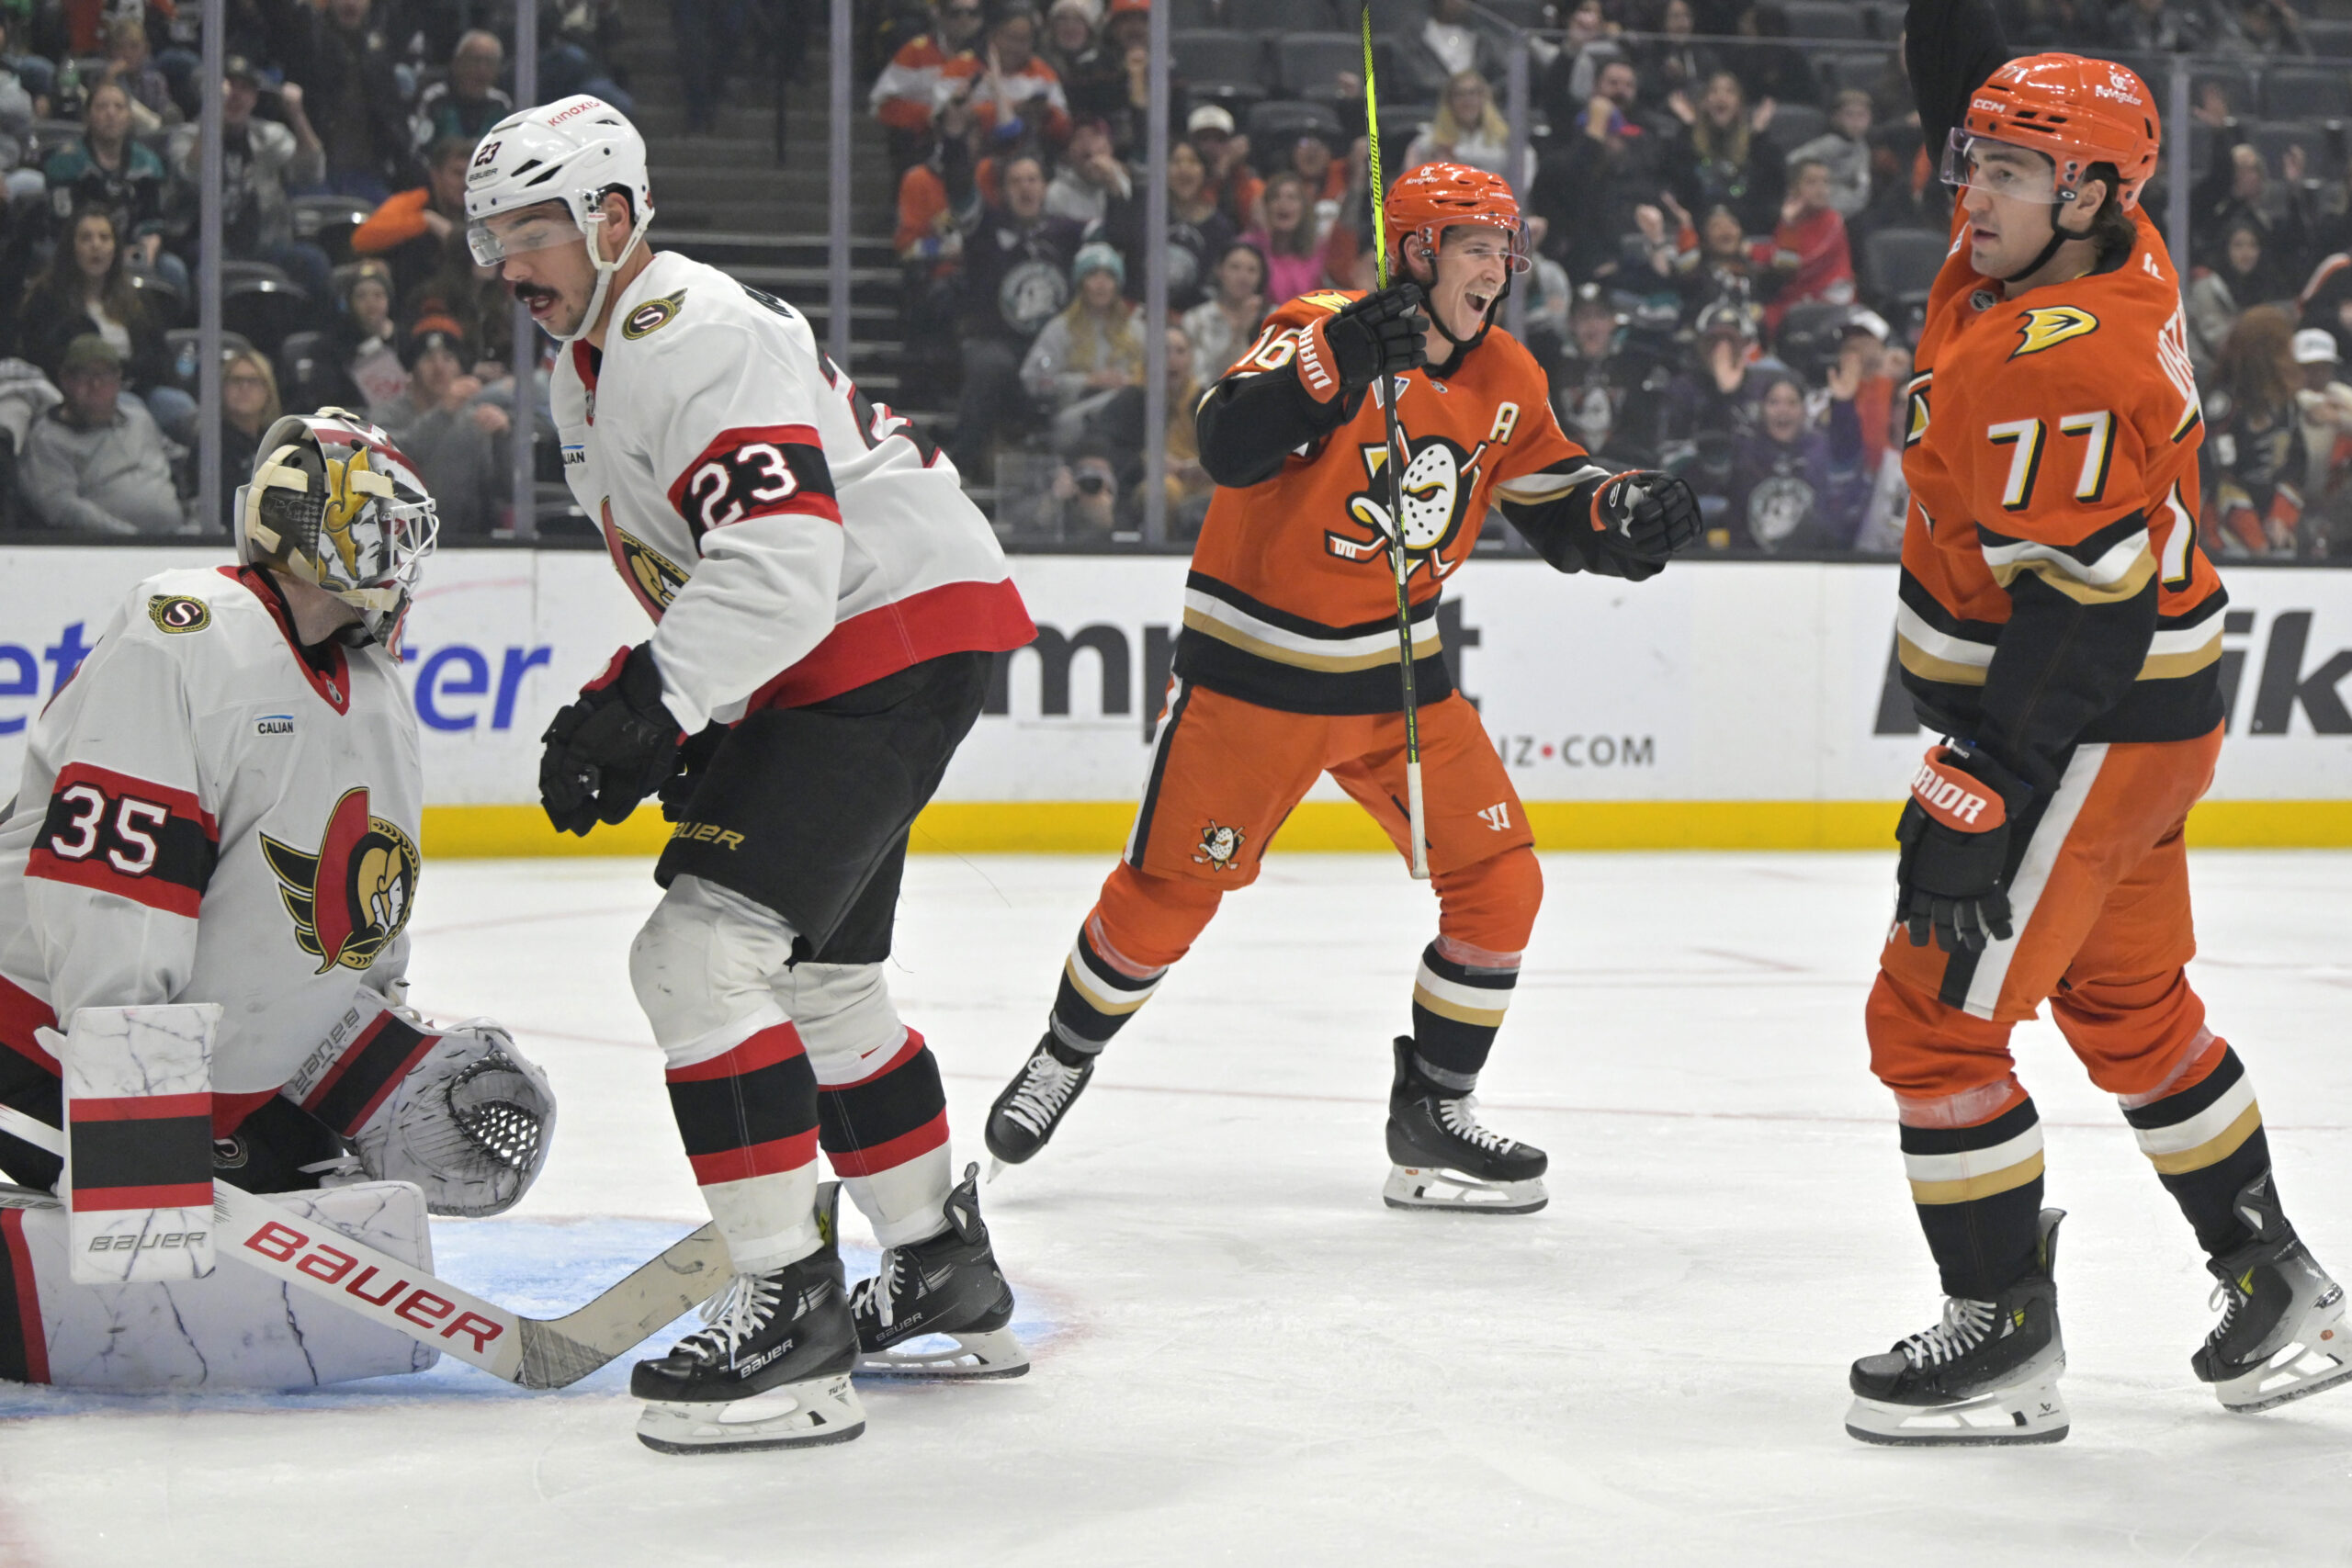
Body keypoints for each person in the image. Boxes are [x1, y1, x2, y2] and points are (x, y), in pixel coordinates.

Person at [467, 96, 1037, 1454]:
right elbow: (734, 566)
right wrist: (699, 707)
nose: (507, 264)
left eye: (532, 229)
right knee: (823, 979)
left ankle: (790, 1312)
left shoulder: (691, 332)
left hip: (872, 639)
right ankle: (936, 1261)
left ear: (613, 215)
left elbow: (784, 560)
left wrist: (657, 697)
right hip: (865, 641)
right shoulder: (594, 359)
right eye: (492, 237)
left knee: (698, 959)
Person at [980, 163, 1701, 1212]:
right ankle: (1062, 1055)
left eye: (1507, 249)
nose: (1497, 269)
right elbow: (1225, 439)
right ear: (1415, 252)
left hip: (1398, 685)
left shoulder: (1506, 374)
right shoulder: (1320, 319)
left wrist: (1625, 512)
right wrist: (1338, 362)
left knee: (1502, 884)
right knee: (1166, 905)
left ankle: (1433, 1111)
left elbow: (1557, 503)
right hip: (1255, 684)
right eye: (1476, 246)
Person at [1845, 0, 2347, 1448]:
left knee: (1932, 1025)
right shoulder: (2099, 240)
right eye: (1975, 159)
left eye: (2004, 170)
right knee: (2132, 1014)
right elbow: (1971, 86)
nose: (1968, 191)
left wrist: (1988, 781)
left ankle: (2001, 1335)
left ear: (2088, 192)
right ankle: (2279, 1279)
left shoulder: (2053, 359)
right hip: (2150, 712)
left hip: (2087, 717)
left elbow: (2089, 608)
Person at [0, 407, 560, 1391]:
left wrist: (375, 1051)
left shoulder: (375, 687)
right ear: (315, 522)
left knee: (326, 1195)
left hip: (202, 1067)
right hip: (42, 1034)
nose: (405, 555)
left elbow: (353, 917)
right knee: (153, 1234)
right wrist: (136, 1115)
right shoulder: (185, 630)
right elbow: (112, 895)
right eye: (388, 524)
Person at [948, 151, 1085, 479]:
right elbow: (959, 189)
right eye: (1016, 181)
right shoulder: (986, 229)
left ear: (1045, 187)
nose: (1025, 188)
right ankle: (960, 467)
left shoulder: (1067, 233)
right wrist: (955, 142)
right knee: (990, 366)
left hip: (1054, 344)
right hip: (997, 341)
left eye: (1032, 180)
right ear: (1004, 191)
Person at [169, 57, 333, 315]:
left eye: (244, 89)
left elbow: (311, 173)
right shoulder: (187, 135)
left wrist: (297, 115)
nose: (235, 96)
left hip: (265, 244)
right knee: (208, 259)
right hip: (206, 241)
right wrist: (212, 113)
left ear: (255, 98)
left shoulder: (268, 136)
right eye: (229, 87)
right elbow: (191, 176)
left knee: (314, 262)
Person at [15, 208, 183, 437]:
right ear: (70, 247)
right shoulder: (47, 298)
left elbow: (158, 355)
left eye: (104, 238)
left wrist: (128, 372)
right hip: (77, 397)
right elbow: (46, 358)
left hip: (136, 388)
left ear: (115, 247)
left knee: (180, 405)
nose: (96, 246)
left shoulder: (135, 299)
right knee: (131, 407)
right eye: (86, 238)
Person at [17, 334, 184, 536]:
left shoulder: (140, 419)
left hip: (179, 539)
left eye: (105, 375)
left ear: (118, 380)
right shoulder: (47, 439)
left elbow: (176, 458)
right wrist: (132, 539)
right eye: (85, 375)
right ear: (65, 380)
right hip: (107, 550)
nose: (95, 385)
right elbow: (60, 506)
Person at [44, 80, 185, 291]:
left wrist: (147, 247)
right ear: (87, 116)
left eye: (119, 107)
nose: (111, 113)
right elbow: (63, 225)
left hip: (133, 250)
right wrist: (102, 250)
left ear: (129, 117)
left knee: (173, 270)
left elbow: (153, 219)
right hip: (81, 251)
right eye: (101, 107)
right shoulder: (65, 162)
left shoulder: (148, 163)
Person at [372, 319, 506, 538]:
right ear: (412, 368)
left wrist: (504, 436)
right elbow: (395, 459)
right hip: (397, 543)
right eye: (428, 358)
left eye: (448, 358)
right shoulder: (386, 415)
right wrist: (442, 413)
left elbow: (497, 489)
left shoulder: (473, 421)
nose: (439, 368)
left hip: (465, 545)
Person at [2200, 304, 2308, 558]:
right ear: (2266, 353)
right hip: (2223, 522)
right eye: (2286, 348)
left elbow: (2297, 466)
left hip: (2273, 513)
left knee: (2284, 554)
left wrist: (2281, 517)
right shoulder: (2223, 405)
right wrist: (2253, 536)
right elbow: (2220, 476)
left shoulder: (2286, 406)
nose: (2292, 356)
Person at [1022, 243, 1145, 453]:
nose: (1101, 284)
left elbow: (1159, 378)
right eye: (1093, 275)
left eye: (1109, 276)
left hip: (1128, 419)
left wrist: (1129, 382)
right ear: (1081, 283)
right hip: (1077, 420)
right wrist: (1088, 381)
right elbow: (1033, 379)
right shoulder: (1060, 329)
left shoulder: (1138, 330)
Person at [296, 0, 414, 201]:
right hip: (320, 171)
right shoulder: (309, 40)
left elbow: (391, 114)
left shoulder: (380, 48)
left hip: (369, 171)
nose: (350, 3)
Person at [350, 134, 474, 303]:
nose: (465, 183)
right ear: (435, 175)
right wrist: (426, 220)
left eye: (471, 175)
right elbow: (361, 240)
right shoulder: (414, 202)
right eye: (457, 174)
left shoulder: (483, 208)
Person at [1662, 70, 1784, 239]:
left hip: (1747, 233)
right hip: (1700, 232)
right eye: (1714, 91)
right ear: (1704, 103)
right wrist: (1689, 128)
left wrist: (1759, 137)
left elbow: (1771, 187)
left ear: (1739, 105)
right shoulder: (1685, 143)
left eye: (1730, 91)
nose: (1721, 97)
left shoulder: (1757, 145)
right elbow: (1681, 184)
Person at [937, 5, 1072, 153]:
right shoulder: (960, 67)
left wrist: (1047, 114)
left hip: (1028, 157)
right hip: (965, 154)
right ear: (992, 35)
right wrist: (1016, 110)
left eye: (1023, 40)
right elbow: (937, 119)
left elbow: (1064, 129)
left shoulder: (1042, 72)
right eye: (1010, 38)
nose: (1015, 47)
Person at [871, 0, 986, 167]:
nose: (965, 19)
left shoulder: (995, 55)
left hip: (978, 148)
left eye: (972, 13)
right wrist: (930, 116)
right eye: (956, 13)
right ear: (939, 14)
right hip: (922, 147)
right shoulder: (916, 52)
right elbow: (883, 105)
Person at [1762, 157, 1856, 331]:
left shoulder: (1834, 221)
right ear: (1794, 189)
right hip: (1796, 299)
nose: (1821, 190)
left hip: (1830, 301)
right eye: (1812, 183)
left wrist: (1754, 251)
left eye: (1825, 183)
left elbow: (1794, 265)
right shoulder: (1790, 220)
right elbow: (1777, 254)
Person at [1406, 71, 1534, 188]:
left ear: (1485, 98)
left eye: (1473, 93)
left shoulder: (1506, 139)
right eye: (1459, 94)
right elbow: (1411, 183)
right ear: (1449, 101)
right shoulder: (1429, 142)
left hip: (1497, 204)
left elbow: (1525, 177)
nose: (1467, 100)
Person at [1180, 240, 1269, 383]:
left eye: (1252, 270)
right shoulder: (1197, 320)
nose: (1243, 277)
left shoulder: (1274, 319)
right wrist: (1239, 334)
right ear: (1219, 271)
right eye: (1235, 268)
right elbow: (1201, 380)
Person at [411, 30, 511, 153]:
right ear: (457, 63)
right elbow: (420, 147)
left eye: (489, 62)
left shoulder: (500, 104)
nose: (482, 70)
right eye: (475, 60)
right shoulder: (435, 100)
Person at [214, 346, 279, 531]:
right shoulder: (211, 442)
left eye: (253, 381)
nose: (244, 388)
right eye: (236, 381)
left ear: (268, 390)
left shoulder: (278, 440)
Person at [1241, 171, 1329, 307]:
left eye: (1292, 198)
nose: (1283, 204)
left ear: (1304, 208)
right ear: (1266, 206)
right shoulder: (1248, 246)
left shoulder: (1318, 250)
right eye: (1275, 197)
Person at [338, 260, 408, 411]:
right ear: (350, 303)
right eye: (361, 296)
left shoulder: (404, 338)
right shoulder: (339, 343)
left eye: (378, 295)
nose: (370, 303)